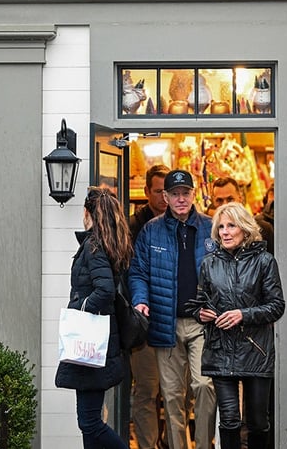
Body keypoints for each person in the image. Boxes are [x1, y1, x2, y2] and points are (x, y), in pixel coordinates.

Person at [130, 169, 217, 449]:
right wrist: (140, 300)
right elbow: (138, 272)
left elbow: (225, 274)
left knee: (204, 386)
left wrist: (214, 307)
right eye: (175, 194)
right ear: (165, 197)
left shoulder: (211, 227)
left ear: (194, 195)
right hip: (165, 323)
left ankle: (204, 444)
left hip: (202, 324)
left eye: (186, 193)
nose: (181, 199)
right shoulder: (151, 230)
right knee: (171, 395)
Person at [191, 202, 285, 449]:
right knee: (230, 419)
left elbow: (277, 306)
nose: (224, 232)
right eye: (220, 227)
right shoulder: (209, 263)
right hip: (221, 349)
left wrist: (242, 314)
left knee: (256, 421)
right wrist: (202, 314)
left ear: (244, 228)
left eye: (231, 225)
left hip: (256, 350)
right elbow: (200, 303)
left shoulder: (265, 262)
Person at [55, 186, 132, 449]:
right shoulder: (105, 243)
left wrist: (81, 310)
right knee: (88, 422)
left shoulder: (93, 246)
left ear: (88, 213)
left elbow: (105, 291)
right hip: (96, 344)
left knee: (89, 422)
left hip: (89, 342)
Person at [128, 164, 169, 449]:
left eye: (168, 192)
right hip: (144, 321)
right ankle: (147, 445)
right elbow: (131, 271)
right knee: (146, 389)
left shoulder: (182, 222)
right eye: (158, 192)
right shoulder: (134, 226)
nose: (164, 198)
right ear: (147, 192)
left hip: (173, 319)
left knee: (178, 392)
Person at [211, 177, 274, 254]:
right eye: (219, 200)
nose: (225, 205)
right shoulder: (210, 231)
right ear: (213, 202)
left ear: (240, 199)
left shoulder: (263, 228)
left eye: (230, 199)